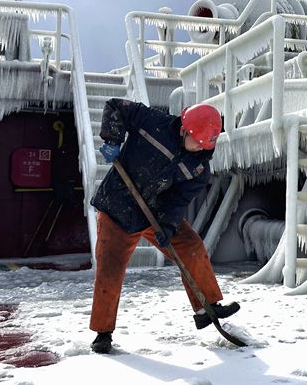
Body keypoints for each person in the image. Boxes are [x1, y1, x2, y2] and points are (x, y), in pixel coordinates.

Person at [89, 98, 240, 354]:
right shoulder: (152, 122)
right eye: (197, 143)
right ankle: (103, 333)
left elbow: (178, 200)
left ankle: (207, 307)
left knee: (190, 246)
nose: (199, 149)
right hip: (118, 207)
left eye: (205, 146)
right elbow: (115, 106)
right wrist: (113, 139)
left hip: (155, 213)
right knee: (110, 270)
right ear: (184, 128)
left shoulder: (199, 166)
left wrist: (168, 226)